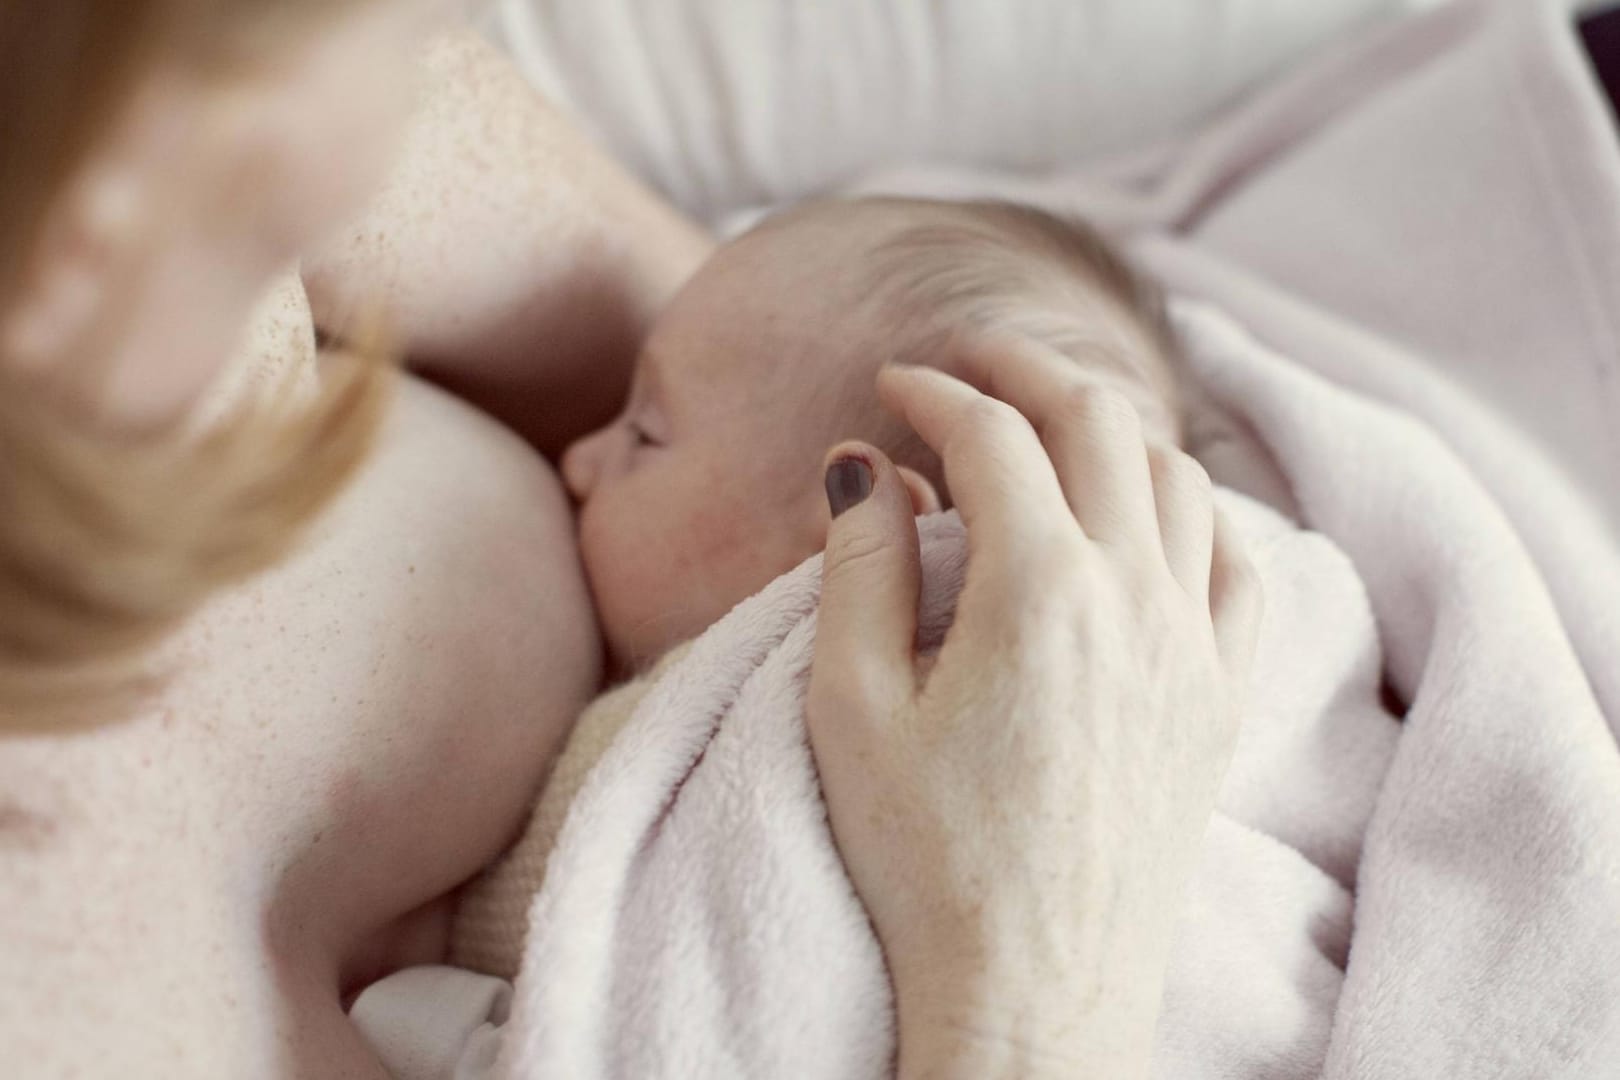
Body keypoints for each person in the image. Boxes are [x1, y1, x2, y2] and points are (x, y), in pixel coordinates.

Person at [0, 5, 1258, 1080]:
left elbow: (765, 341)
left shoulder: (204, 143)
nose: (440, 48)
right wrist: (1033, 1004)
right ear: (81, 240)